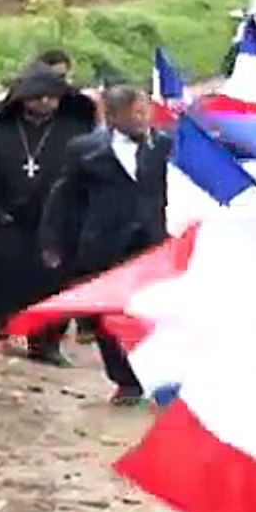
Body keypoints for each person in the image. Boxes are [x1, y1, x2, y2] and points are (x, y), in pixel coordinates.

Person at [41, 86, 170, 405]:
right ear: (111, 116)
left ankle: (156, 374)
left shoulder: (167, 145)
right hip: (104, 242)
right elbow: (64, 197)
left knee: (152, 311)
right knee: (108, 316)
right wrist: (52, 239)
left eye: (144, 112)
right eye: (133, 114)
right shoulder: (84, 149)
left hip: (154, 242)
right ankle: (124, 380)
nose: (141, 119)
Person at [0, 69, 96, 364]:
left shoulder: (75, 130)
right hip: (8, 219)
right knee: (7, 277)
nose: (44, 103)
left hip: (58, 220)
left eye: (52, 97)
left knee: (55, 283)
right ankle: (6, 319)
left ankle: (47, 344)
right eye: (37, 97)